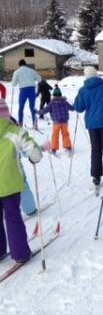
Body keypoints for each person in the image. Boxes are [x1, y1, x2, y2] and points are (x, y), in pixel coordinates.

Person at [0, 98, 43, 264]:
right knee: (12, 217)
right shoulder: (15, 132)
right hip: (10, 184)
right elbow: (34, 152)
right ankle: (20, 253)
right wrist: (34, 158)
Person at [39, 86, 74, 155]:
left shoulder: (52, 103)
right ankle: (68, 147)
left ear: (54, 95)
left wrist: (37, 112)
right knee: (65, 134)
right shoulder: (64, 102)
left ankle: (54, 149)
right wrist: (75, 105)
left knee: (55, 135)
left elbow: (44, 110)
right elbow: (72, 108)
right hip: (64, 122)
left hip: (56, 122)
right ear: (61, 95)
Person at [10, 59, 42, 127]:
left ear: (19, 65)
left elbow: (13, 84)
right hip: (31, 89)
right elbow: (39, 79)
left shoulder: (17, 72)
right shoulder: (31, 70)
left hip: (23, 90)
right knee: (32, 107)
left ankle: (20, 123)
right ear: (25, 64)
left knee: (21, 107)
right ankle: (34, 123)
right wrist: (32, 79)